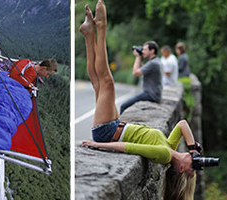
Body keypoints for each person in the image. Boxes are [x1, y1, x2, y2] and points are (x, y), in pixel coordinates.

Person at [78, 1, 199, 199]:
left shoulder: (165, 156)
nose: (193, 161)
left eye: (192, 168)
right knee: (98, 83)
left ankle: (101, 27)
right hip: (115, 125)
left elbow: (129, 147)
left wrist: (97, 145)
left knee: (107, 82)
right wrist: (193, 147)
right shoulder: (170, 147)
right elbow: (183, 124)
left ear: (181, 168)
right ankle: (89, 33)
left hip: (107, 132)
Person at [119, 40, 163, 114]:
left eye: (145, 50)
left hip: (150, 95)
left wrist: (137, 57)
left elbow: (135, 73)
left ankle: (120, 125)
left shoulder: (153, 63)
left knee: (123, 106)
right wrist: (140, 57)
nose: (143, 51)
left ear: (152, 51)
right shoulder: (156, 61)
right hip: (154, 94)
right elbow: (142, 70)